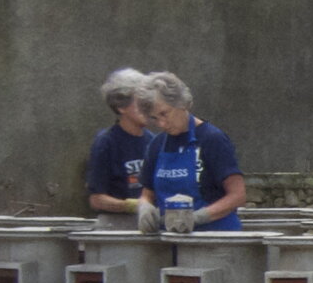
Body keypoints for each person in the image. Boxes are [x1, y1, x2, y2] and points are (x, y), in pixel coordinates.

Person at [136, 72, 245, 231]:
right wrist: (144, 206)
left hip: (216, 238)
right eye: (154, 118)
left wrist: (198, 217)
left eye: (164, 113)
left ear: (182, 103)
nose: (161, 123)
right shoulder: (157, 145)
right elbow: (147, 193)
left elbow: (238, 196)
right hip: (173, 239)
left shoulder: (212, 139)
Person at [86, 68, 155, 217]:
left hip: (150, 225)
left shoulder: (154, 142)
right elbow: (96, 199)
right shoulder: (106, 143)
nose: (148, 109)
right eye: (141, 103)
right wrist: (132, 206)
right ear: (121, 106)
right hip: (116, 228)